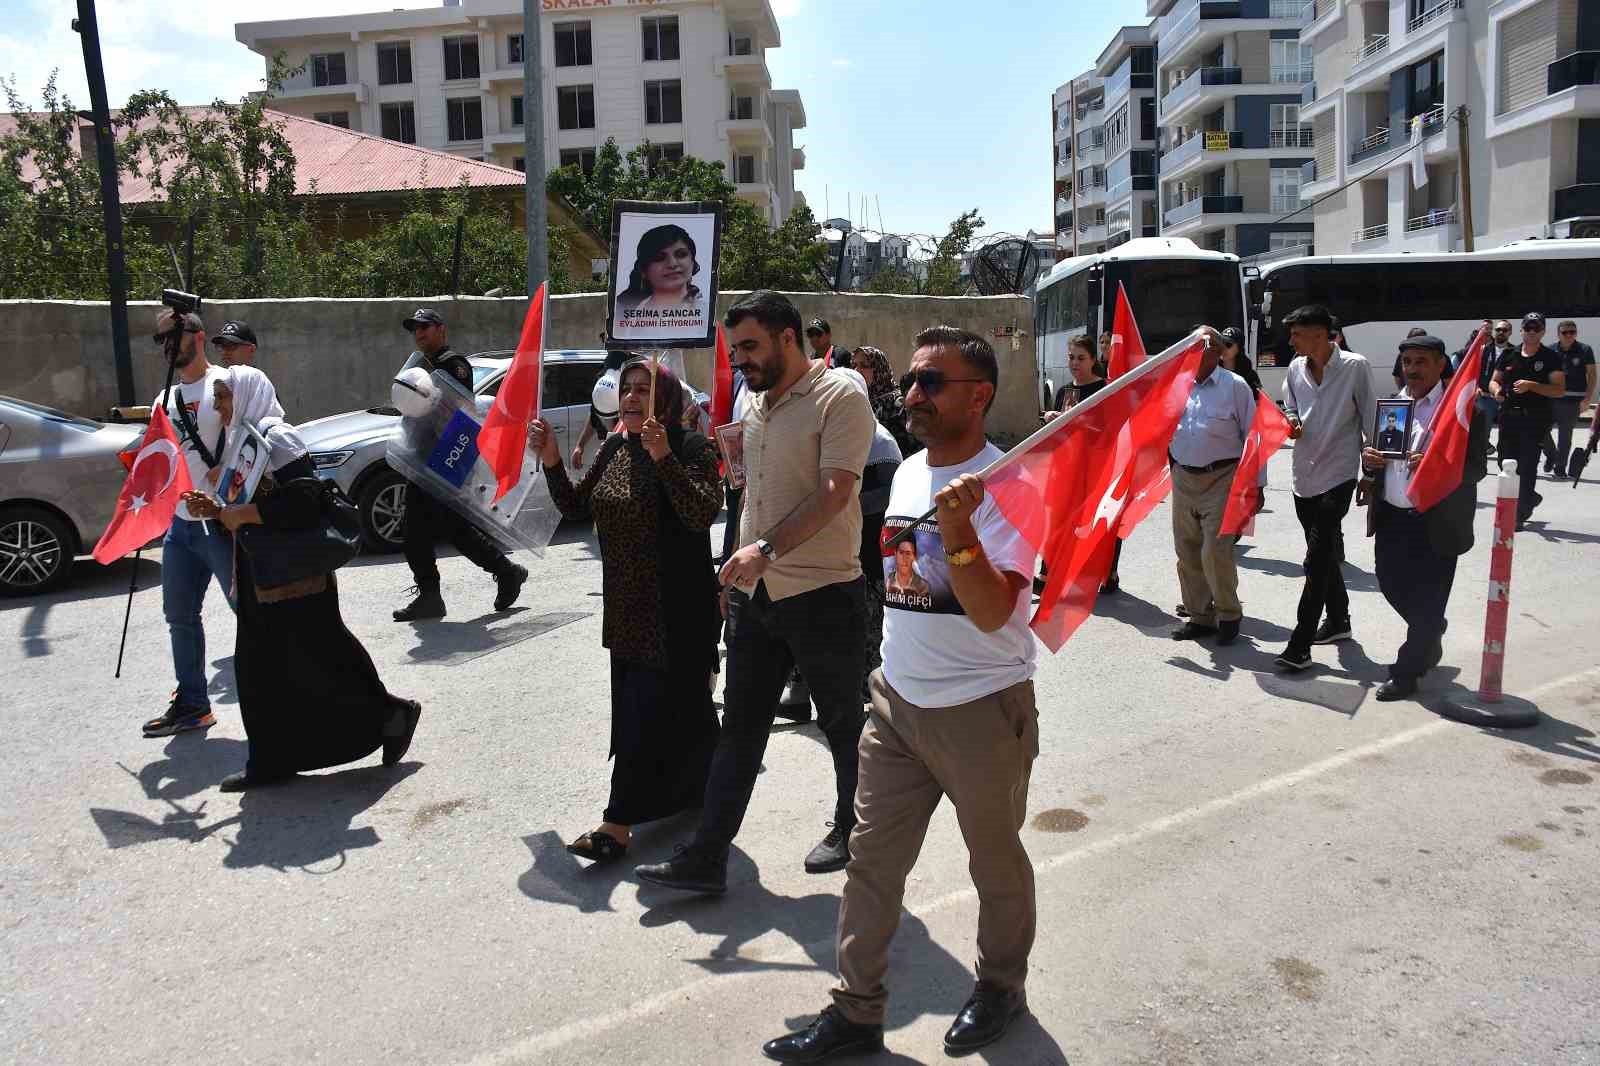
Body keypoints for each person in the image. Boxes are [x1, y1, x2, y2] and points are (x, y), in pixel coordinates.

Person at [761, 326, 1040, 1063]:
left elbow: (989, 611)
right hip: (897, 705)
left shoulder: (1009, 484)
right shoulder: (910, 469)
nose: (911, 394)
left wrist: (960, 532)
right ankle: (856, 1010)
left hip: (982, 709)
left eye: (931, 383)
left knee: (995, 864)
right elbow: (897, 584)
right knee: (871, 865)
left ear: (979, 395)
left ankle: (1000, 987)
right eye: (911, 381)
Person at [634, 291, 875, 894]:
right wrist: (734, 570)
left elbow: (835, 492)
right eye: (735, 348)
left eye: (749, 347)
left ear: (788, 338)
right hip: (755, 597)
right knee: (740, 728)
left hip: (823, 593)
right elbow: (749, 496)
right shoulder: (758, 403)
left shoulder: (840, 395)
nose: (739, 359)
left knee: (843, 724)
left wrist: (764, 552)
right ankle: (707, 857)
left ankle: (855, 827)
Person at [184, 367, 422, 791]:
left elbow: (307, 500)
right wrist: (217, 510)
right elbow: (243, 501)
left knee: (324, 656)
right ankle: (272, 759)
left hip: (296, 574)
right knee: (268, 668)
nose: (217, 407)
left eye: (222, 398)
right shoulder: (243, 436)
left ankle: (391, 715)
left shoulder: (276, 436)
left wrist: (247, 514)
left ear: (246, 395)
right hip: (263, 570)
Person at [530, 358, 723, 861]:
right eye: (628, 389)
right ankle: (706, 785)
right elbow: (577, 507)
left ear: (668, 399)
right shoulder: (615, 445)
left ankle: (617, 825)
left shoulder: (693, 447)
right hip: (627, 609)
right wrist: (552, 458)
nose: (633, 398)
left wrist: (664, 458)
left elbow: (701, 513)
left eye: (646, 390)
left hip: (678, 609)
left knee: (645, 715)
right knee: (681, 713)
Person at [1363, 335, 1489, 701]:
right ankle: (1430, 631)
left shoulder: (1464, 411)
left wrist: (1438, 466)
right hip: (1392, 516)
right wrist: (1369, 462)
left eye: (1421, 362)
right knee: (1389, 584)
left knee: (1430, 599)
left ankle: (1406, 673)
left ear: (1439, 366)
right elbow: (1381, 461)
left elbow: (1476, 468)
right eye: (1408, 363)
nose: (1413, 370)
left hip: (1438, 520)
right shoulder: (1393, 406)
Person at [392, 308, 528, 621]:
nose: (419, 334)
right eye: (415, 329)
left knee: (417, 531)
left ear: (441, 329)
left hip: (445, 457)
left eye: (425, 327)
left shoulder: (454, 365)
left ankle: (432, 595)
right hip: (423, 456)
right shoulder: (422, 367)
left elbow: (459, 409)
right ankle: (505, 572)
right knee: (450, 528)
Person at [140, 309, 239, 739]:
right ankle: (194, 705)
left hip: (221, 522)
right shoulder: (163, 400)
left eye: (171, 336)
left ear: (195, 336)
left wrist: (229, 468)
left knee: (251, 614)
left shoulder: (228, 383)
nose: (165, 346)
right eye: (160, 339)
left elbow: (257, 434)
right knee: (180, 617)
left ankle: (289, 694)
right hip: (180, 526)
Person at [1275, 304, 1375, 672]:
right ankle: (1339, 621)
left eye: (1297, 334)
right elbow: (1289, 406)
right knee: (1324, 552)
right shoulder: (1295, 369)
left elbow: (1371, 418)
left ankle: (1299, 645)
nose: (1292, 341)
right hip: (1304, 475)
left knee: (1315, 559)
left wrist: (1372, 473)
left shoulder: (1354, 366)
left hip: (1339, 473)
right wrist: (1291, 420)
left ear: (1320, 334)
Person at [1168, 327, 1256, 647]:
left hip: (1222, 478)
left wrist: (1255, 487)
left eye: (1201, 346)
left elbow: (1253, 437)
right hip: (1183, 477)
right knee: (1187, 549)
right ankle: (1200, 617)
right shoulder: (1176, 385)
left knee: (1215, 550)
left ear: (1217, 351)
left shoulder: (1236, 387)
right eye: (1190, 346)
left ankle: (1229, 614)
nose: (1193, 351)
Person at [1490, 312, 1565, 529]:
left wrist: (1532, 386)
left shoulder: (1550, 357)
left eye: (1537, 328)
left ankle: (1519, 514)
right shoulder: (1508, 354)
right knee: (1505, 464)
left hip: (1534, 419)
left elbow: (1559, 390)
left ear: (1542, 331)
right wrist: (1496, 392)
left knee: (1527, 465)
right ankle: (1528, 497)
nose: (1532, 332)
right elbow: (1494, 381)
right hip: (1508, 417)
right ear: (1521, 330)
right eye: (1528, 328)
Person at [1542, 320, 1596, 477]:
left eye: (1572, 332)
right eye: (1565, 332)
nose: (1569, 335)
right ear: (1558, 334)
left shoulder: (1585, 350)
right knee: (1541, 431)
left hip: (1572, 400)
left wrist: (1587, 399)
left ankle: (1560, 468)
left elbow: (1592, 376)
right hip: (1551, 398)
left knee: (1565, 437)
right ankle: (1551, 455)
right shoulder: (1550, 350)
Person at [616, 224, 704, 312]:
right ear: (643, 270)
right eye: (659, 257)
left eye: (681, 254)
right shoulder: (624, 314)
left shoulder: (705, 312)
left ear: (693, 262)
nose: (672, 264)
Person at [571, 347, 630, 470]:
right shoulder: (602, 383)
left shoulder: (632, 391)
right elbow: (594, 418)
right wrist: (580, 446)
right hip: (610, 452)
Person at [852, 345, 916, 455]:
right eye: (854, 365)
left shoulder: (897, 403)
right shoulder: (859, 400)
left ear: (879, 369)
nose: (856, 370)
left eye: (864, 366)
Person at [1216, 326, 1262, 395]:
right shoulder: (1212, 371)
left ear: (1239, 348)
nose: (1223, 348)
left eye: (1228, 344)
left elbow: (1256, 401)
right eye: (1221, 343)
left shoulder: (1249, 376)